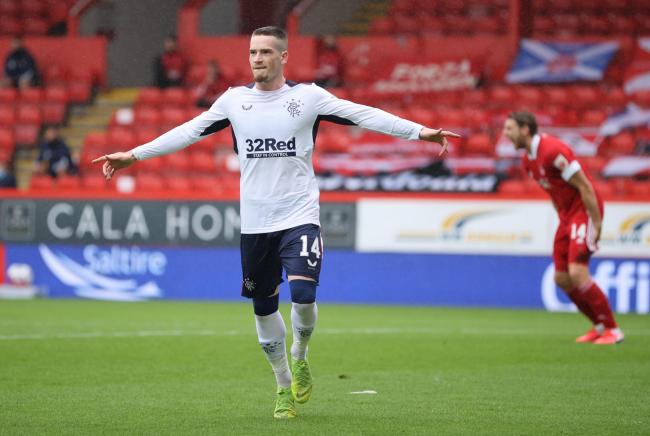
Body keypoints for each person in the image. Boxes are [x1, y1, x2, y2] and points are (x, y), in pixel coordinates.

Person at [93, 26, 459, 419]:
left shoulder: (308, 98)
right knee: (263, 309)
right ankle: (283, 383)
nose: (257, 59)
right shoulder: (233, 101)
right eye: (253, 52)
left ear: (283, 57)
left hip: (299, 215)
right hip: (255, 224)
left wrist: (418, 131)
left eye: (266, 52)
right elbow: (189, 131)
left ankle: (300, 353)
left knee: (303, 296)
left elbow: (362, 114)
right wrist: (135, 154)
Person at [503, 111, 623, 345]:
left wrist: (596, 223)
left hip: (584, 211)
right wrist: (563, 220)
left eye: (509, 129)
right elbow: (554, 192)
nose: (506, 135)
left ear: (525, 129)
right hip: (566, 217)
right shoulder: (528, 160)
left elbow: (585, 186)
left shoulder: (553, 151)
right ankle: (599, 326)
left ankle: (613, 330)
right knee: (561, 278)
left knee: (578, 273)